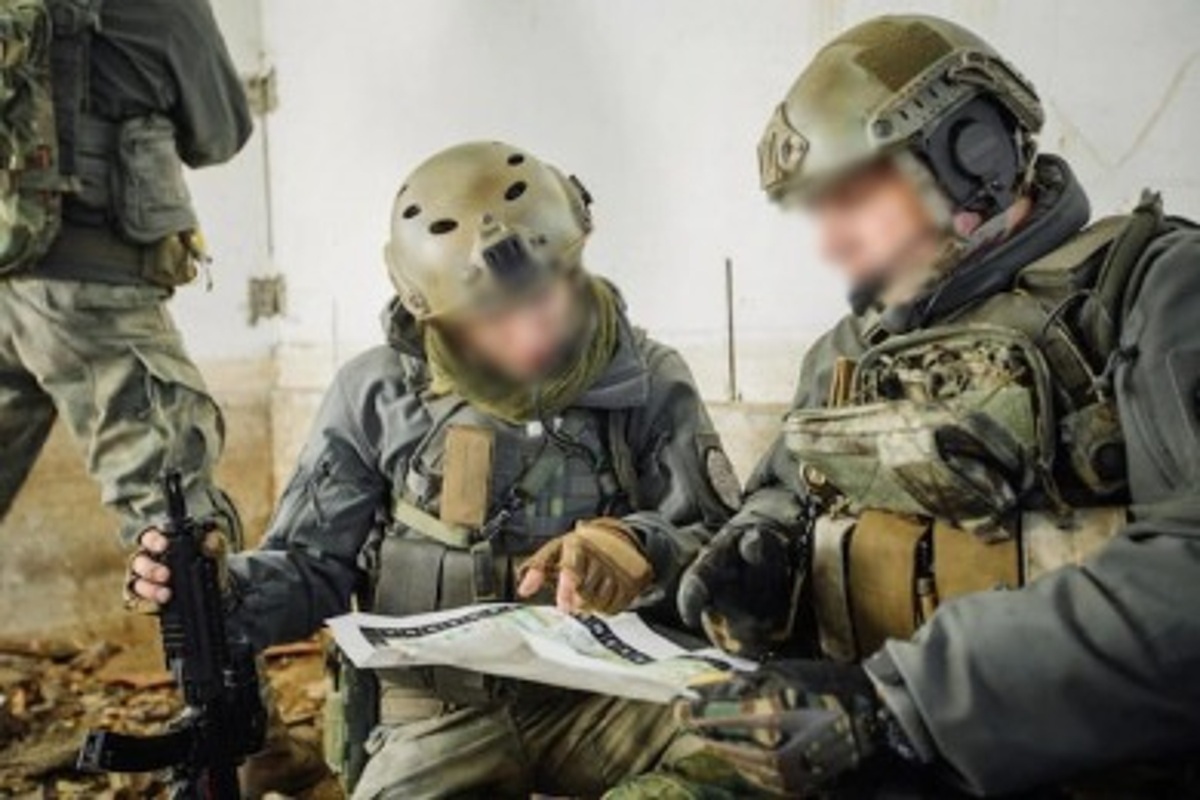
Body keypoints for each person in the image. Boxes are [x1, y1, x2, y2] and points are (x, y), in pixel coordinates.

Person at [663, 13, 1200, 799]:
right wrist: (760, 548)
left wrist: (908, 706)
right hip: (862, 761)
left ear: (969, 156)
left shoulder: (1155, 293)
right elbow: (786, 490)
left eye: (852, 200)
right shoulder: (850, 350)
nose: (832, 244)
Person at [129, 140, 741, 799]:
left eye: (546, 297)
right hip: (436, 716)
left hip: (605, 700)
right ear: (435, 316)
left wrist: (639, 546)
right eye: (492, 319)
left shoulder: (648, 379)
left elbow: (720, 553)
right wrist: (217, 590)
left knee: (751, 746)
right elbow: (312, 569)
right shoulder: (376, 395)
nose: (530, 333)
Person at [0, 0, 250, 549]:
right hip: (96, 291)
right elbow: (221, 132)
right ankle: (197, 609)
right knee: (176, 519)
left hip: (7, 273)